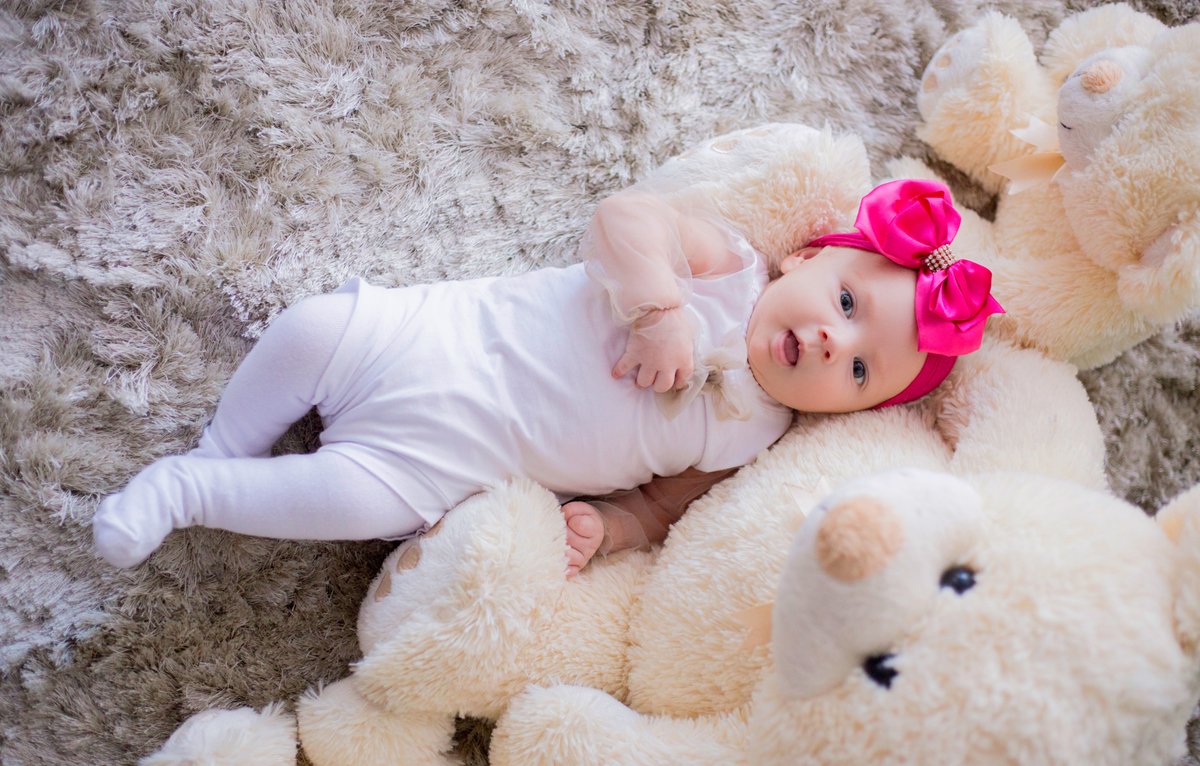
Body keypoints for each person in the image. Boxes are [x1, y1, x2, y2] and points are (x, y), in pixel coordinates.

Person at [91, 179, 1003, 572]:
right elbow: (620, 218)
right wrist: (658, 306)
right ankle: (223, 441)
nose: (830, 342)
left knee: (348, 505)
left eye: (858, 369)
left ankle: (193, 490)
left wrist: (608, 528)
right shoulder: (726, 269)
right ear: (807, 255)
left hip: (440, 462)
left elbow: (662, 503)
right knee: (311, 327)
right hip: (418, 339)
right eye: (844, 303)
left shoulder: (755, 436)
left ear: (852, 410)